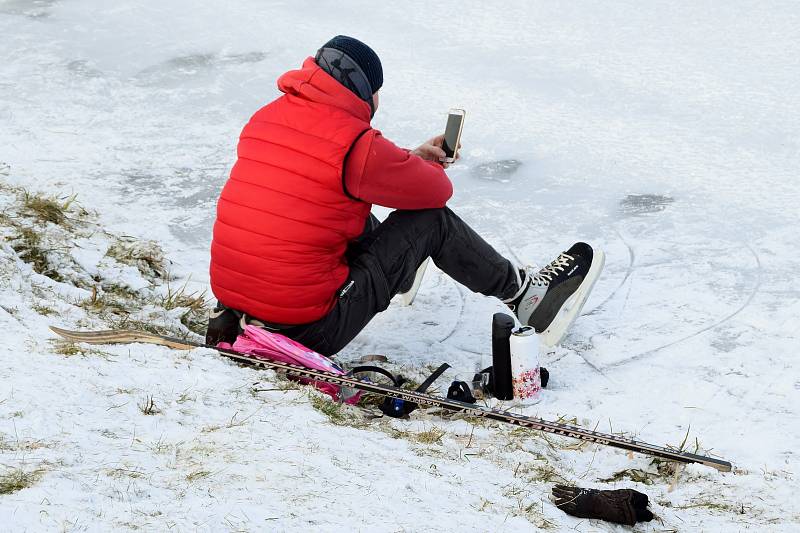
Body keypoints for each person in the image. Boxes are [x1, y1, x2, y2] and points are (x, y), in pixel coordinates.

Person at [206, 35, 604, 356]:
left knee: (314, 200)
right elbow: (435, 192)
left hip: (235, 312)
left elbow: (328, 175)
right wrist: (422, 167)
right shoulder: (355, 144)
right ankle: (527, 297)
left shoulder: (266, 117)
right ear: (366, 92)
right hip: (308, 330)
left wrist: (407, 160)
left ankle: (401, 269)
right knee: (430, 220)